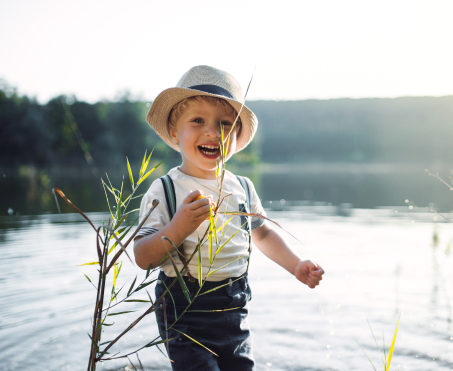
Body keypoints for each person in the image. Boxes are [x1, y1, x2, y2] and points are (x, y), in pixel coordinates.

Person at [134, 65, 325, 371]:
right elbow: (143, 257)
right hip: (183, 312)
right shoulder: (166, 190)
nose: (212, 132)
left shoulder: (243, 188)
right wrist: (179, 227)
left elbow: (262, 234)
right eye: (198, 121)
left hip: (233, 306)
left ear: (236, 137)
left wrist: (295, 265)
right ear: (174, 131)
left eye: (225, 123)